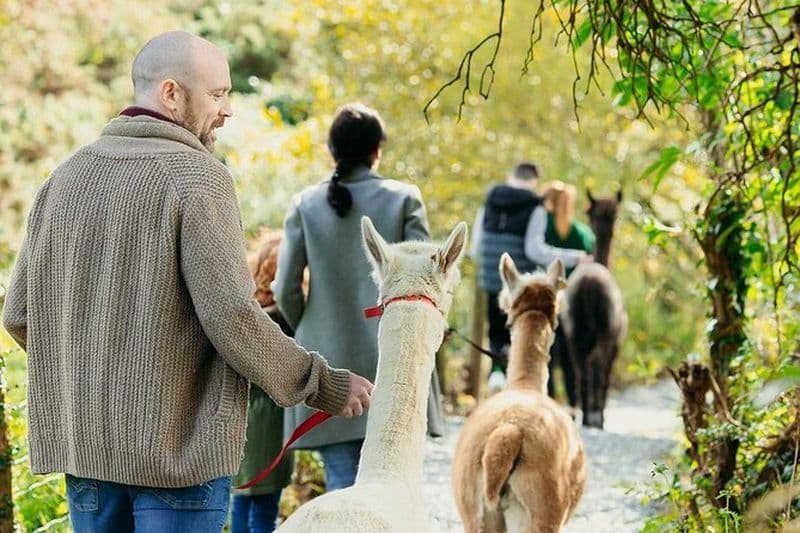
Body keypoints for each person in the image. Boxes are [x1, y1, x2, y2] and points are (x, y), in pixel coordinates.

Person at [1, 31, 372, 533]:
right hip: (177, 458)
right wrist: (324, 383)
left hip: (86, 457)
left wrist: (94, 381)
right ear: (171, 93)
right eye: (218, 94)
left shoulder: (64, 178)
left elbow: (20, 314)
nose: (228, 110)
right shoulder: (198, 178)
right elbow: (233, 318)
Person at [273, 102, 445, 491]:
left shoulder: (305, 204)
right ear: (376, 150)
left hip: (327, 363)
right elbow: (427, 279)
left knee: (342, 485)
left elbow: (284, 287)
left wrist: (312, 327)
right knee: (392, 485)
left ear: (332, 150)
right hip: (394, 359)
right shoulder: (404, 198)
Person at [470, 163, 592, 392]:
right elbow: (534, 250)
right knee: (518, 334)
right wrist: (575, 258)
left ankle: (496, 373)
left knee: (496, 333)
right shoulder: (535, 206)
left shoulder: (489, 201)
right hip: (519, 283)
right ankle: (516, 384)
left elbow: (475, 247)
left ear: (510, 177)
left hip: (489, 277)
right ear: (534, 181)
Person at [231, 229, 296, 533]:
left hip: (240, 417)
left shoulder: (244, 314)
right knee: (265, 510)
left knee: (242, 502)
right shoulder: (285, 319)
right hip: (271, 421)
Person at [539, 181, 596, 406]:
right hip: (574, 300)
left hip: (548, 297)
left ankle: (550, 400)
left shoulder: (542, 228)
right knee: (570, 354)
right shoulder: (580, 233)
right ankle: (574, 403)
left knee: (549, 353)